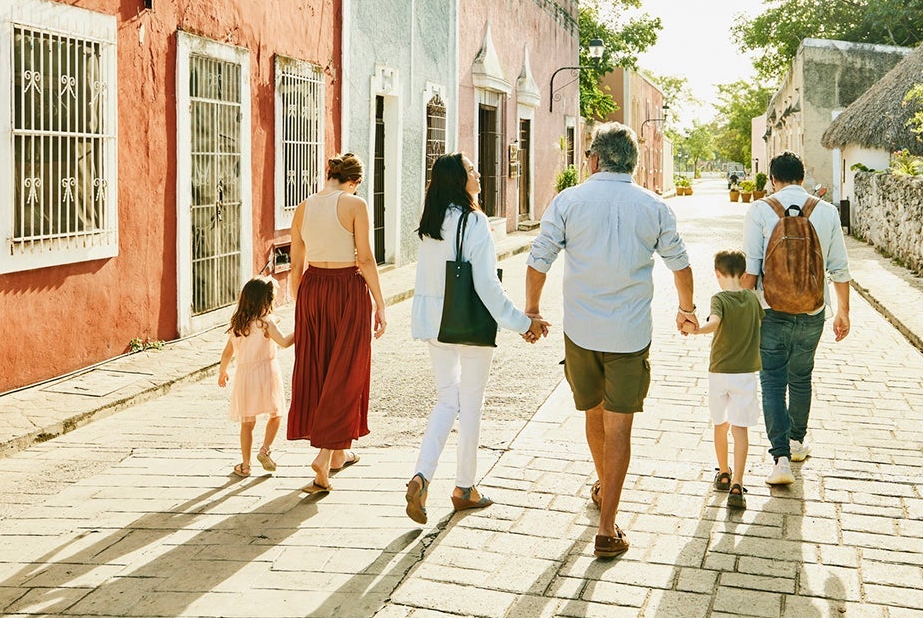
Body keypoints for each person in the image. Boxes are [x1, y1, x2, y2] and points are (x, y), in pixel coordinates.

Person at [526, 122, 695, 560]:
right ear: (632, 162)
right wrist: (687, 309)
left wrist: (531, 310)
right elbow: (680, 264)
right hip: (629, 333)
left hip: (580, 331)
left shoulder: (568, 201)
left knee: (594, 413)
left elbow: (539, 258)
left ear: (596, 158)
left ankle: (603, 489)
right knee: (620, 426)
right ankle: (606, 527)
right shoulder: (654, 207)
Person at [405, 154, 551, 524]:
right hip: (468, 325)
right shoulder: (474, 221)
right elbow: (486, 285)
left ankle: (422, 475)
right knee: (470, 405)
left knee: (446, 400)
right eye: (471, 169)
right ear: (458, 179)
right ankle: (464, 488)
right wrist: (523, 323)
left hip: (435, 325)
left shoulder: (431, 222)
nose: (479, 172)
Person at [741, 152, 851, 487]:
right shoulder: (827, 211)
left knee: (772, 380)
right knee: (801, 377)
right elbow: (840, 269)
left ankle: (781, 459)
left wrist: (742, 313)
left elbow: (750, 272)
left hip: (771, 310)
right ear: (802, 177)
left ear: (772, 179)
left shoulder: (761, 210)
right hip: (812, 310)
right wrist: (842, 312)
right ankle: (797, 442)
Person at [288, 152, 387, 491]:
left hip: (313, 290)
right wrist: (380, 303)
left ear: (329, 173)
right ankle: (325, 453)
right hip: (347, 290)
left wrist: (300, 305)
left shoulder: (303, 207)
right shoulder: (355, 205)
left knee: (322, 368)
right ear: (355, 181)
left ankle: (341, 452)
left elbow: (296, 264)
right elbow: (366, 258)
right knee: (347, 371)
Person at [685, 250, 762, 511]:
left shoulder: (719, 298)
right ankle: (738, 484)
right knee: (740, 429)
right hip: (745, 375)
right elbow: (759, 324)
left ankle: (724, 472)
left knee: (721, 425)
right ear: (743, 274)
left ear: (717, 273)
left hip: (719, 373)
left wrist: (697, 329)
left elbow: (715, 322)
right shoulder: (752, 299)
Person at [217, 276, 294, 478]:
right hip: (267, 373)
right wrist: (301, 329)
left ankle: (245, 465)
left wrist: (222, 371)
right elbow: (284, 342)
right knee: (276, 413)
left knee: (247, 423)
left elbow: (227, 353)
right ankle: (265, 450)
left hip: (245, 376)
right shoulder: (267, 323)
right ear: (265, 301)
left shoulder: (238, 325)